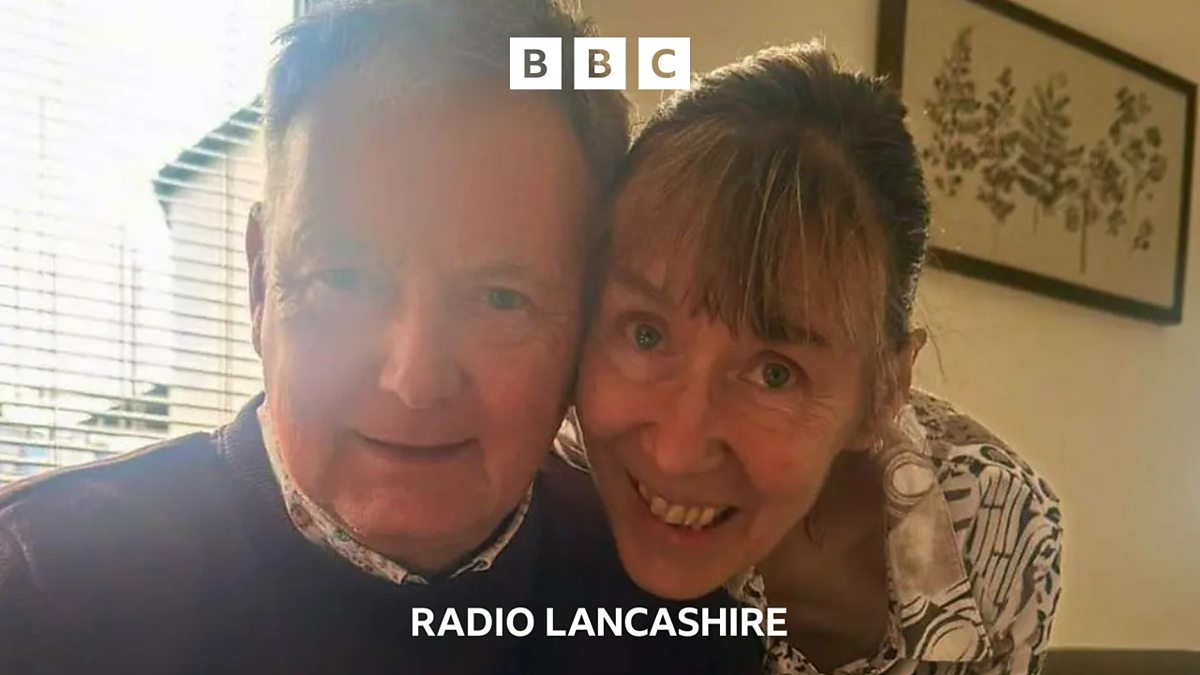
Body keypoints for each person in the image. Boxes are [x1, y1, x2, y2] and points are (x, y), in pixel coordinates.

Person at [0, 2, 758, 673]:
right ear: (261, 282)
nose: (414, 380)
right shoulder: (38, 591)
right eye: (343, 278)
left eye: (501, 298)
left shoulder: (667, 616)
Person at [566, 42, 1063, 675]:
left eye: (774, 374)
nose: (676, 452)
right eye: (645, 335)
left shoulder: (994, 525)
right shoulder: (541, 500)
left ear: (883, 393)